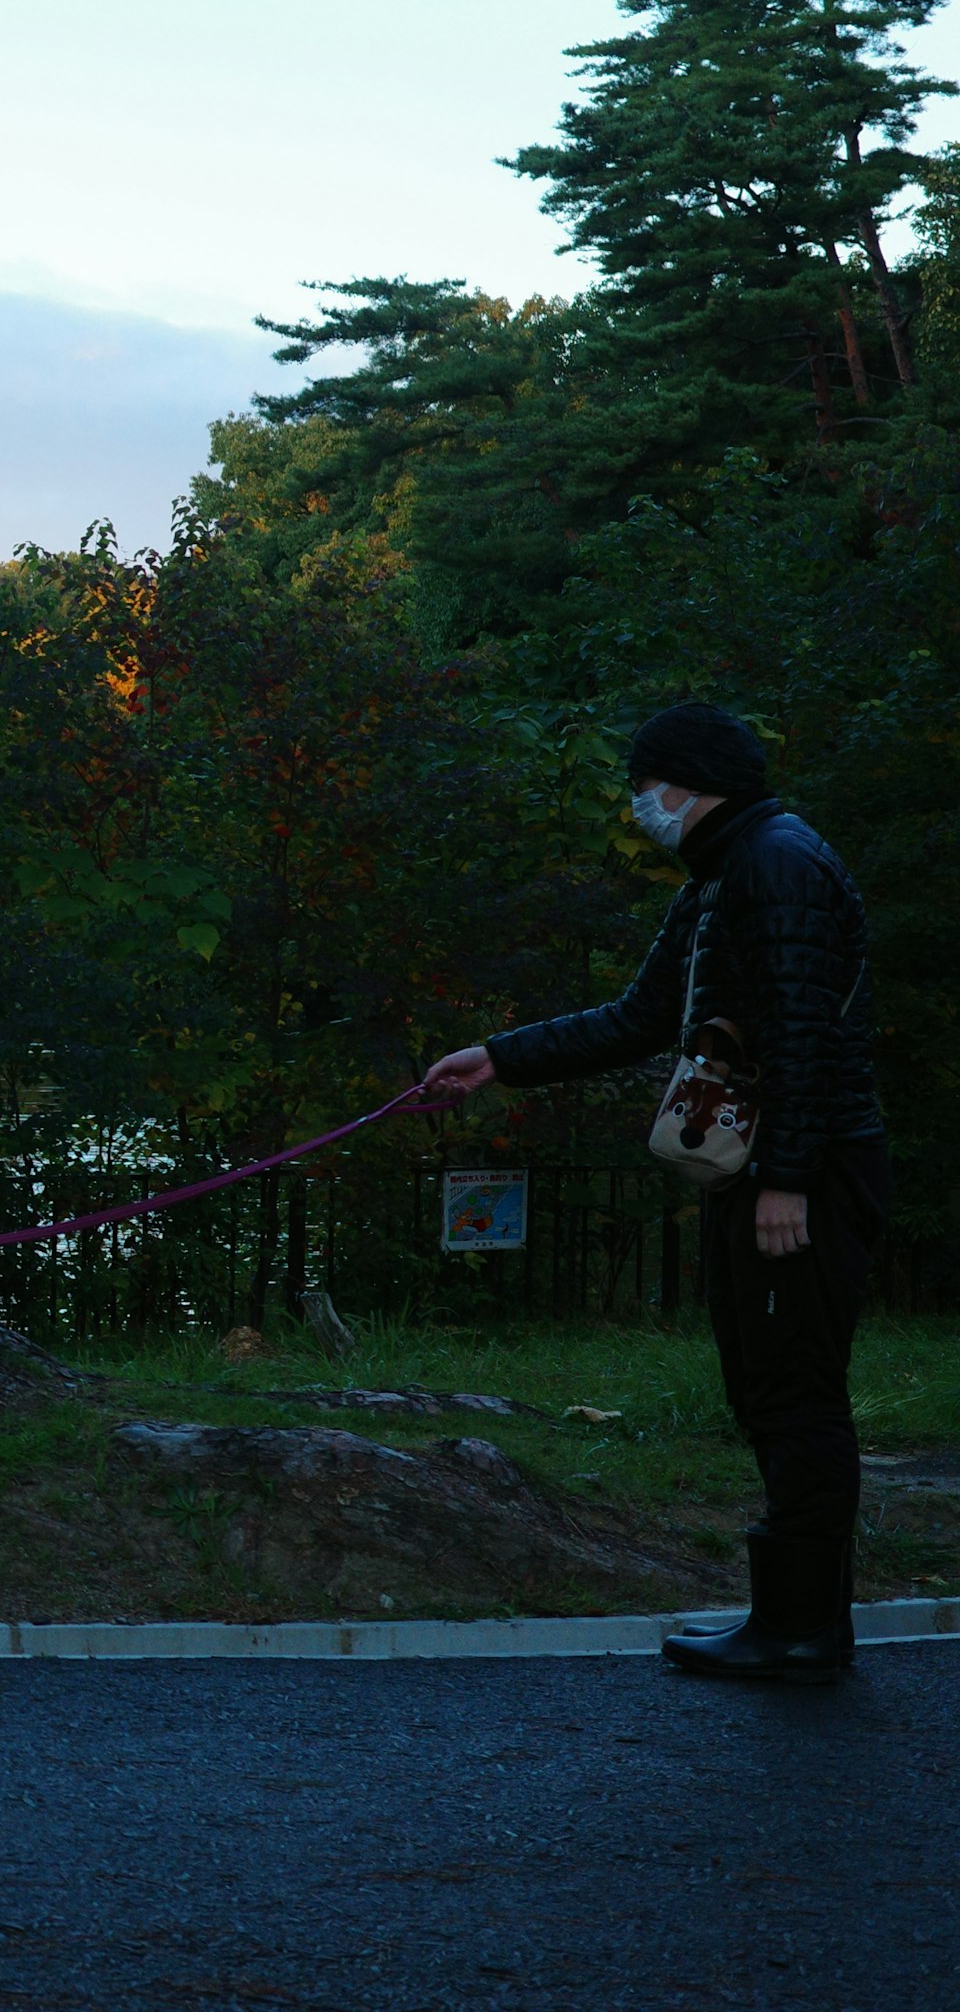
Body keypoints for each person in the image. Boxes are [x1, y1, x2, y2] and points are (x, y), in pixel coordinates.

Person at [421, 702, 883, 1685]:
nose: (640, 806)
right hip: (767, 1170)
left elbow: (805, 1030)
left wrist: (789, 1178)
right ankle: (790, 1614)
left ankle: (802, 1630)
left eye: (645, 786)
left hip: (801, 1175)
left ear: (689, 778)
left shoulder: (776, 864)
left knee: (795, 1392)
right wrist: (498, 1057)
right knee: (768, 1389)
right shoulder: (725, 874)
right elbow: (638, 1016)